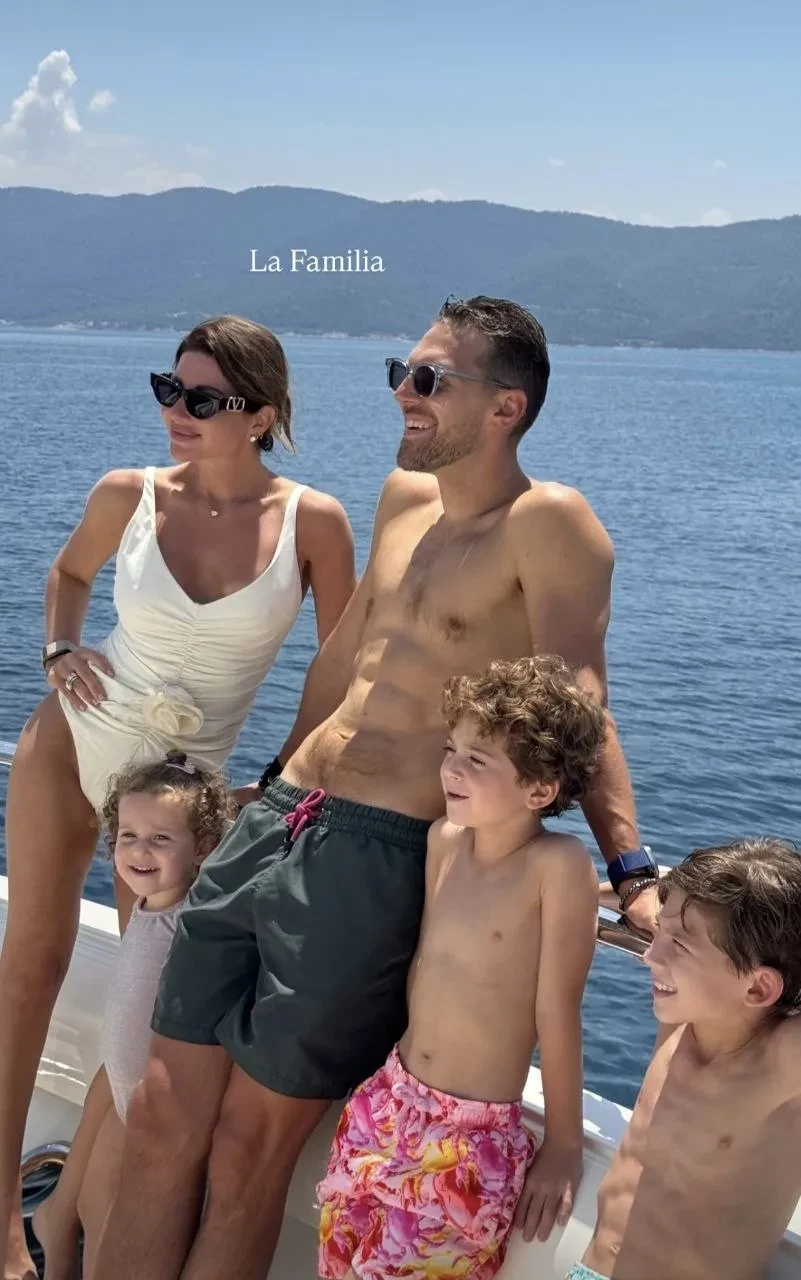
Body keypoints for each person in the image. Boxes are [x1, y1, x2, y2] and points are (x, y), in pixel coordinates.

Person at [95, 294, 646, 1280]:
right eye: (401, 371)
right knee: (161, 1110)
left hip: (378, 849)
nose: (402, 392)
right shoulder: (403, 497)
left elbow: (579, 708)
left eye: (429, 378)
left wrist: (631, 868)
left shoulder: (551, 524)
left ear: (506, 407)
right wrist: (266, 785)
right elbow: (342, 661)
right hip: (280, 816)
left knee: (247, 1153)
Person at [0, 314, 356, 1280]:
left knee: (145, 1026)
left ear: (262, 414)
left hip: (177, 805)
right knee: (30, 973)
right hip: (73, 741)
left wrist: (279, 779)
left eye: (203, 398)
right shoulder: (129, 492)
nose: (176, 411)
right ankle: (1, 1227)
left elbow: (342, 664)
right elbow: (68, 572)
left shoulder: (315, 522)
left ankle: (68, 1217)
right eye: (169, 389)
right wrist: (59, 650)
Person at [317, 656, 605, 1280]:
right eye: (452, 749)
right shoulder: (443, 840)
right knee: (337, 1264)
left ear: (539, 791)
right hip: (388, 1101)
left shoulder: (557, 866)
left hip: (469, 1137)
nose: (451, 768)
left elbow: (557, 1011)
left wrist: (563, 1144)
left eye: (477, 759)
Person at [34, 753, 234, 1280]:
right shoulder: (147, 908)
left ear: (203, 847)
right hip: (124, 1104)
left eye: (161, 838)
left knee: (116, 1236)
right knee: (90, 1207)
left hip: (150, 1116)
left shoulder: (191, 924)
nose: (140, 850)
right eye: (128, 835)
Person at [573, 838, 801, 1280]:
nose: (649, 955)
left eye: (678, 946)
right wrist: (614, 892)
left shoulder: (781, 1062)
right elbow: (655, 902)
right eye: (660, 933)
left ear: (758, 988)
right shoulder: (682, 1021)